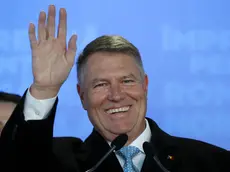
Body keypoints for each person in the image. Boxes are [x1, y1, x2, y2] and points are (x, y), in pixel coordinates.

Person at [1, 4, 230, 172]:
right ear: (82, 96)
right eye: (100, 84)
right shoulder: (59, 161)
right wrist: (44, 88)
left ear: (145, 85)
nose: (117, 95)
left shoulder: (212, 162)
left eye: (127, 81)